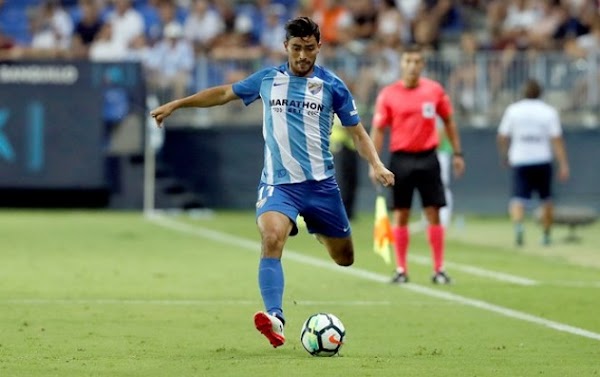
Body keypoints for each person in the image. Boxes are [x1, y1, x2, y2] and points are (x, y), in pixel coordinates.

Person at [150, 16, 394, 349]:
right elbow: (223, 93)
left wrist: (377, 164)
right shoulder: (268, 79)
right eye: (297, 48)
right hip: (279, 185)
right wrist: (178, 104)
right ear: (285, 47)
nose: (303, 56)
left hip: (321, 187)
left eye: (310, 49)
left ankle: (318, 230)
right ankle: (276, 318)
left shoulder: (333, 86)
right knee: (271, 236)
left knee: (345, 258)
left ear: (319, 47)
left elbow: (357, 131)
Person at [369, 45, 465, 285]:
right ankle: (401, 269)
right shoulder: (388, 94)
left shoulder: (434, 91)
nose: (412, 65)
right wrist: (374, 162)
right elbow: (378, 130)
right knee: (401, 214)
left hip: (428, 157)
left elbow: (449, 121)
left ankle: (439, 268)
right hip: (400, 159)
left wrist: (457, 153)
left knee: (434, 212)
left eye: (417, 61)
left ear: (422, 65)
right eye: (408, 61)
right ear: (401, 64)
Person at [497, 79, 569, 247]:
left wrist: (505, 155)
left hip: (520, 159)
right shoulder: (548, 112)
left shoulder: (513, 110)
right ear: (540, 93)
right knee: (546, 199)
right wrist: (564, 163)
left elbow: (502, 136)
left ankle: (519, 227)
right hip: (542, 158)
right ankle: (546, 234)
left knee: (518, 198)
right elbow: (556, 139)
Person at [330, 115, 359, 220]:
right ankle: (340, 212)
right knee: (342, 182)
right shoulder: (337, 102)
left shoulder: (349, 102)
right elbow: (345, 124)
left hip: (351, 146)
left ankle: (349, 212)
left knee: (351, 181)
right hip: (340, 146)